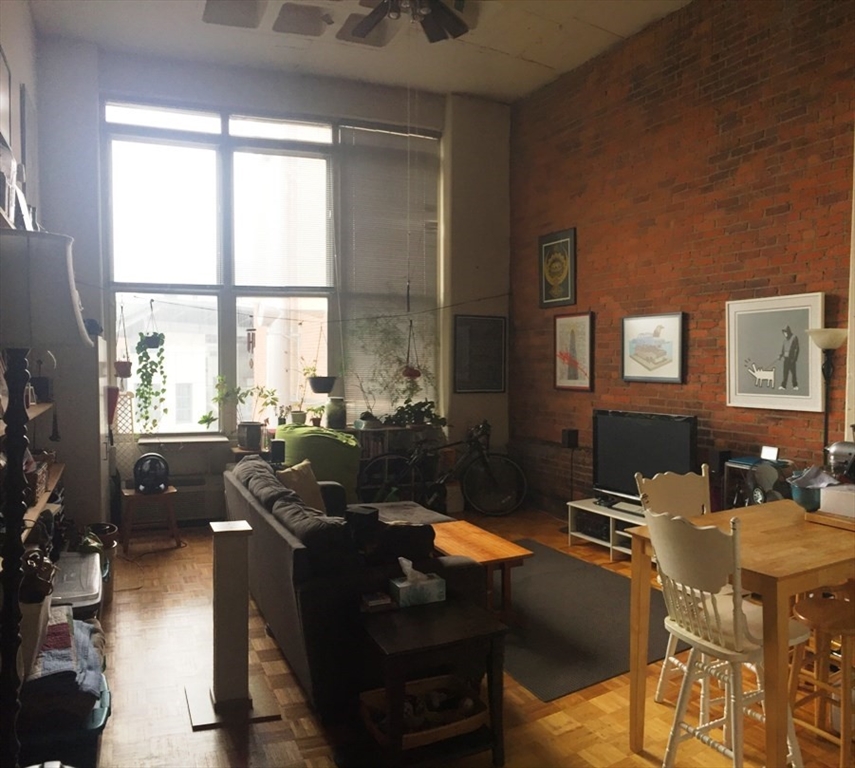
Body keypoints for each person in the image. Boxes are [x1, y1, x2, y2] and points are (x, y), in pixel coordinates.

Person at [778, 325, 799, 390]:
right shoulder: (785, 341)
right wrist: (780, 355)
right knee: (785, 373)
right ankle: (783, 386)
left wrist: (794, 359)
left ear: (788, 331)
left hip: (792, 359)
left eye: (786, 332)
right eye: (784, 332)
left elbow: (796, 349)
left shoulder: (794, 337)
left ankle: (795, 385)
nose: (785, 334)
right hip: (786, 359)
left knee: (793, 373)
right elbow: (783, 350)